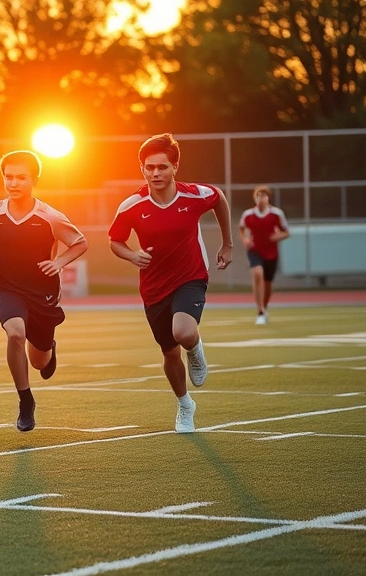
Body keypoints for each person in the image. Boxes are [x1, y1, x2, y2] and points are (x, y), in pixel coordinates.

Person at [108, 133, 232, 433]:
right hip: (153, 288)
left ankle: (196, 349)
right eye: (149, 167)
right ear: (142, 169)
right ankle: (185, 404)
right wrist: (131, 255)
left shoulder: (194, 196)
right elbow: (115, 241)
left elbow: (220, 199)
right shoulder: (131, 206)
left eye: (162, 167)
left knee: (183, 332)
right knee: (168, 352)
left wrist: (227, 244)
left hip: (191, 276)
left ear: (175, 166)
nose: (155, 173)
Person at [0, 150, 87, 432]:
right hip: (6, 287)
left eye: (21, 177)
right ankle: (25, 400)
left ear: (34, 180)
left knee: (39, 361)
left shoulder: (50, 216)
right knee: (15, 333)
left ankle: (49, 348)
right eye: (8, 177)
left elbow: (79, 243)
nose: (13, 183)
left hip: (43, 294)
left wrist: (58, 262)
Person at [239, 186, 289, 325]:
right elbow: (241, 228)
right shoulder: (248, 215)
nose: (261, 199)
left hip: (271, 253)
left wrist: (278, 236)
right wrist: (245, 239)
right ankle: (259, 311)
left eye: (264, 196)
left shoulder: (276, 214)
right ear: (255, 198)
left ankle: (264, 308)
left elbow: (286, 232)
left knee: (267, 284)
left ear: (268, 198)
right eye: (258, 196)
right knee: (257, 273)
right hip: (255, 250)